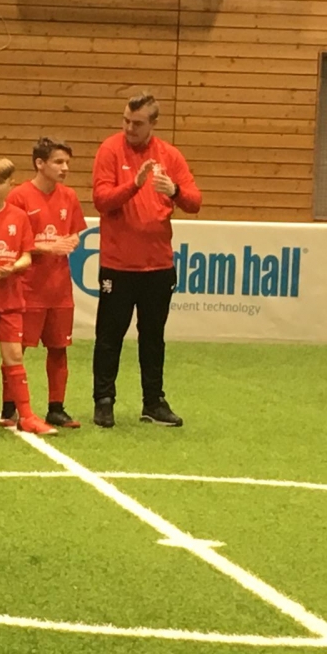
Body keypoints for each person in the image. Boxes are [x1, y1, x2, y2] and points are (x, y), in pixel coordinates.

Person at [91, 93, 202, 428]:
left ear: (153, 123)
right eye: (126, 120)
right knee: (109, 337)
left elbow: (195, 202)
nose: (129, 128)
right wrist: (134, 185)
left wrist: (175, 191)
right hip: (118, 265)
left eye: (137, 123)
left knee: (153, 337)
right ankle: (104, 400)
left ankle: (153, 402)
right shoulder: (110, 150)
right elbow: (101, 200)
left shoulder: (170, 155)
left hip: (158, 266)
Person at [0, 158, 57, 436]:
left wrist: (12, 267)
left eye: (0, 182)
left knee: (14, 353)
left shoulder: (19, 217)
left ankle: (26, 415)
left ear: (10, 184)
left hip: (10, 297)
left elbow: (27, 256)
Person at [5, 137, 87, 429]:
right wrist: (47, 246)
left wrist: (72, 241)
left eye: (67, 163)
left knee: (59, 348)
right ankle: (10, 408)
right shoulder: (19, 197)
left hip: (60, 288)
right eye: (58, 162)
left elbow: (75, 233)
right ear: (40, 163)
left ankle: (56, 408)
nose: (65, 168)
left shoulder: (69, 197)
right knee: (18, 348)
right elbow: (13, 241)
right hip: (28, 287)